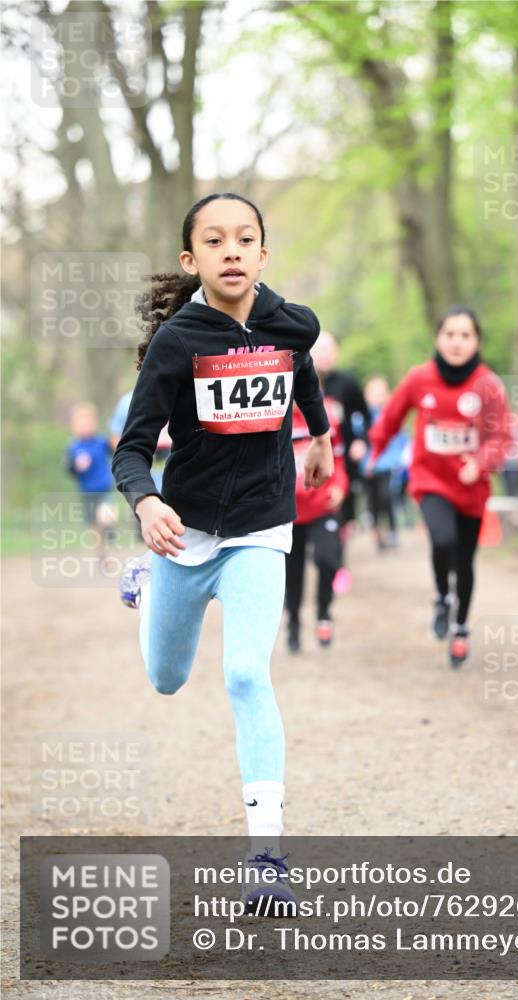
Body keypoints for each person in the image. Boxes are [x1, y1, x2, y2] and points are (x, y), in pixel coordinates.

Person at [111, 192, 334, 913]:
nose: (231, 250)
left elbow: (300, 370)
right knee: (167, 679)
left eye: (244, 239)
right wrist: (147, 504)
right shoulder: (179, 342)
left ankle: (266, 858)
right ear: (192, 260)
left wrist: (321, 436)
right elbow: (134, 450)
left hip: (261, 527)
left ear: (263, 255)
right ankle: (148, 586)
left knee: (245, 673)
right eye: (215, 241)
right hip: (185, 532)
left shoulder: (290, 324)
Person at [369, 307, 510, 668]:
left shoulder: (489, 385)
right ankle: (441, 598)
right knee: (442, 539)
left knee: (465, 561)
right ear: (438, 338)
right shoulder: (420, 379)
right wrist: (374, 451)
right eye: (450, 334)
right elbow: (391, 417)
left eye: (465, 335)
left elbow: (500, 437)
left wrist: (479, 461)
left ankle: (461, 627)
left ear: (476, 341)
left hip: (471, 488)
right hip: (430, 479)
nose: (457, 342)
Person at [284, 393, 349, 652]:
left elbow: (340, 459)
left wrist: (341, 487)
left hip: (323, 506)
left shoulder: (327, 419)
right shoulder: (279, 420)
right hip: (289, 512)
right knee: (293, 573)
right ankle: (294, 623)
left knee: (328, 559)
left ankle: (323, 613)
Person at [310, 331, 370, 593]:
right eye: (319, 349)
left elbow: (365, 416)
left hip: (344, 461)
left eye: (328, 350)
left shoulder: (347, 383)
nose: (324, 355)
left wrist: (361, 440)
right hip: (310, 461)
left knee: (342, 513)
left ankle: (338, 565)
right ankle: (320, 554)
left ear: (336, 353)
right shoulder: (302, 381)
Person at [362, 375, 411, 550]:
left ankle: (392, 531)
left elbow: (401, 441)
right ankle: (378, 535)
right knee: (372, 503)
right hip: (367, 468)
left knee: (387, 497)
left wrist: (401, 461)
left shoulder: (391, 415)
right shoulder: (361, 417)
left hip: (388, 465)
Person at [66, 402, 116, 568]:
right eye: (81, 423)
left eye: (88, 422)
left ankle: (109, 530)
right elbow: (69, 470)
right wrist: (76, 466)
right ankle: (101, 556)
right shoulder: (74, 447)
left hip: (104, 488)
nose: (85, 426)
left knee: (105, 516)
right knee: (94, 527)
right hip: (87, 492)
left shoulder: (100, 441)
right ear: (74, 426)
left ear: (94, 424)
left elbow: (115, 449)